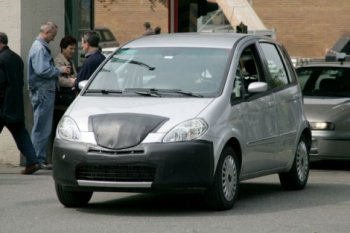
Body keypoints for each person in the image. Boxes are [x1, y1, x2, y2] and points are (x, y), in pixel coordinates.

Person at [27, 22, 71, 169]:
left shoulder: (39, 47)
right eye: (53, 35)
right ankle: (36, 159)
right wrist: (59, 70)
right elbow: (42, 70)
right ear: (46, 32)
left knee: (42, 125)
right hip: (43, 91)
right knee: (42, 126)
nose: (53, 38)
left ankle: (37, 159)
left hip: (42, 91)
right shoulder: (40, 48)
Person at [0, 32, 40, 174]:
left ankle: (32, 161)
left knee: (20, 134)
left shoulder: (1, 59)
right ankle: (32, 161)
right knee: (21, 134)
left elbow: (1, 84)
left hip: (3, 105)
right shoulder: (17, 58)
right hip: (15, 104)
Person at [54, 35, 77, 107]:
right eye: (71, 48)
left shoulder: (70, 61)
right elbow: (58, 80)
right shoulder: (58, 61)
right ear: (63, 48)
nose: (73, 51)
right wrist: (73, 82)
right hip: (64, 97)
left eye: (74, 49)